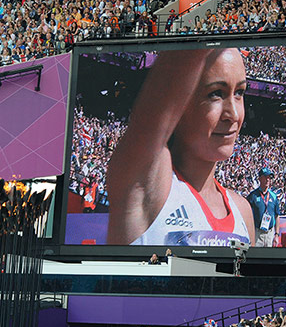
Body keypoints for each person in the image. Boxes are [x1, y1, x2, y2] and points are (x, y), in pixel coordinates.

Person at [106, 48, 255, 246]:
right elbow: (172, 71)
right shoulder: (145, 183)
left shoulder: (242, 210)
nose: (234, 114)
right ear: (178, 102)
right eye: (215, 94)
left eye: (239, 93)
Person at [246, 168, 281, 247]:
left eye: (269, 177)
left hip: (270, 233)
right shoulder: (253, 196)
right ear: (259, 178)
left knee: (269, 257)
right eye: (265, 177)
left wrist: (276, 234)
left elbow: (277, 215)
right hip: (257, 233)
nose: (267, 180)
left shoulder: (273, 196)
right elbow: (247, 214)